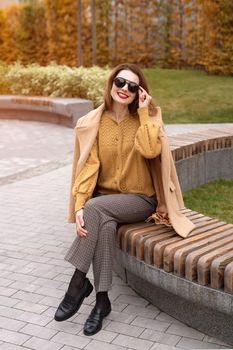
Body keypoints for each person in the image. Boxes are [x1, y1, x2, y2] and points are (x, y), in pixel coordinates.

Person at [54, 63, 195, 336]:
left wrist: (144, 113)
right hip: (105, 203)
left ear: (139, 93)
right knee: (102, 224)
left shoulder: (146, 119)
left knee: (95, 210)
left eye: (132, 86)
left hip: (140, 200)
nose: (124, 89)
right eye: (120, 82)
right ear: (111, 84)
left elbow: (151, 149)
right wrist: (81, 203)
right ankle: (102, 301)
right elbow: (89, 167)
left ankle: (77, 283)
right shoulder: (95, 122)